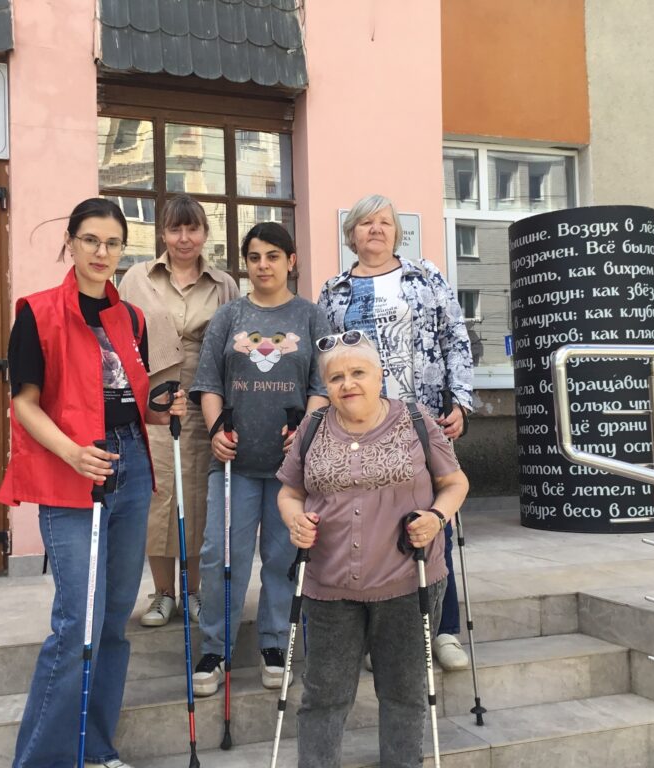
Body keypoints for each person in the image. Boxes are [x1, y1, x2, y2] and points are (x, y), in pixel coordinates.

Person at [0, 198, 187, 768]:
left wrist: (160, 410)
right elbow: (24, 404)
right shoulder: (37, 312)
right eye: (90, 240)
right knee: (78, 621)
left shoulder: (131, 318)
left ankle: (96, 748)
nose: (102, 252)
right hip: (73, 470)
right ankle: (44, 759)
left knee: (114, 621)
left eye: (113, 243)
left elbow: (126, 401)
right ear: (71, 243)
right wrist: (73, 453)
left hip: (130, 467)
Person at [276, 331, 469, 768]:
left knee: (404, 693)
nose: (348, 384)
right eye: (336, 377)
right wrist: (294, 519)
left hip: (407, 581)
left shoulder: (415, 420)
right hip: (329, 586)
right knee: (323, 697)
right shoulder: (312, 427)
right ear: (326, 386)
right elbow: (289, 492)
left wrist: (436, 518)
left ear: (380, 376)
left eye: (358, 372)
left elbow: (455, 483)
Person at [317, 193, 475, 671]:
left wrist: (460, 400)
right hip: (357, 426)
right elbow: (324, 360)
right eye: (366, 223)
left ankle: (443, 629)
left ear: (396, 232)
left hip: (420, 419)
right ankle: (379, 637)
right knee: (368, 527)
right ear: (352, 234)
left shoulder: (425, 278)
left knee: (433, 520)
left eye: (385, 222)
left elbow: (455, 337)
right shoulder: (334, 291)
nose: (376, 230)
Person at [189, 222, 330, 694]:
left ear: (291, 261)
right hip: (234, 465)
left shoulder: (311, 317)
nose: (263, 265)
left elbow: (321, 385)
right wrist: (216, 430)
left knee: (282, 555)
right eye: (254, 257)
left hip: (290, 469)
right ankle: (215, 648)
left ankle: (275, 643)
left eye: (273, 256)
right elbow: (209, 383)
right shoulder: (228, 316)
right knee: (220, 556)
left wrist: (305, 432)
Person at [118, 194, 239, 627]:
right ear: (162, 233)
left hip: (204, 405)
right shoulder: (136, 278)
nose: (184, 238)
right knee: (158, 498)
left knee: (199, 499)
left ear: (205, 233)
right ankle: (162, 594)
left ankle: (193, 591)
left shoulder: (224, 285)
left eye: (192, 229)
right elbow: (119, 340)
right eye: (175, 229)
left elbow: (234, 347)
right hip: (152, 406)